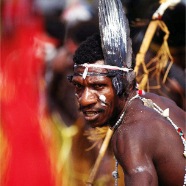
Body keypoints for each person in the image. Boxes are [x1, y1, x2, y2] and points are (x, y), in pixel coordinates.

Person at [68, 0, 186, 185]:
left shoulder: (130, 134)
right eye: (78, 87)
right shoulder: (157, 103)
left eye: (98, 86)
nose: (85, 100)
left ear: (125, 82)